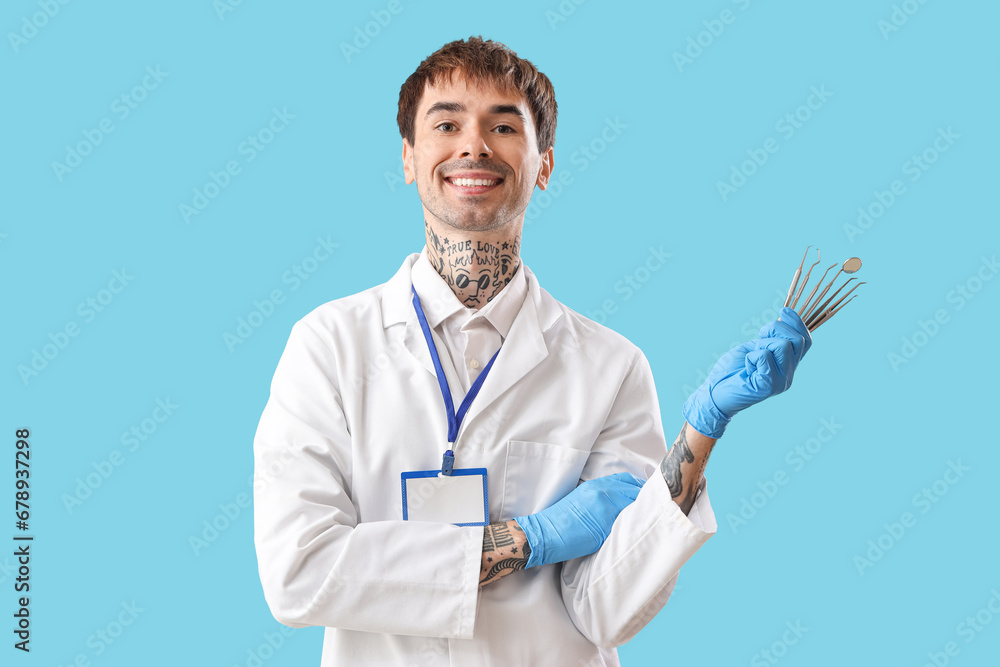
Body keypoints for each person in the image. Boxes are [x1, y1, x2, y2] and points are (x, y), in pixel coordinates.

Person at [253, 36, 811, 666]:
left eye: (504, 125)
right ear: (409, 158)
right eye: (446, 123)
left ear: (543, 164)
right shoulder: (329, 346)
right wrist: (527, 540)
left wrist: (700, 433)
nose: (474, 146)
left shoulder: (610, 367)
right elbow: (297, 572)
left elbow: (608, 609)